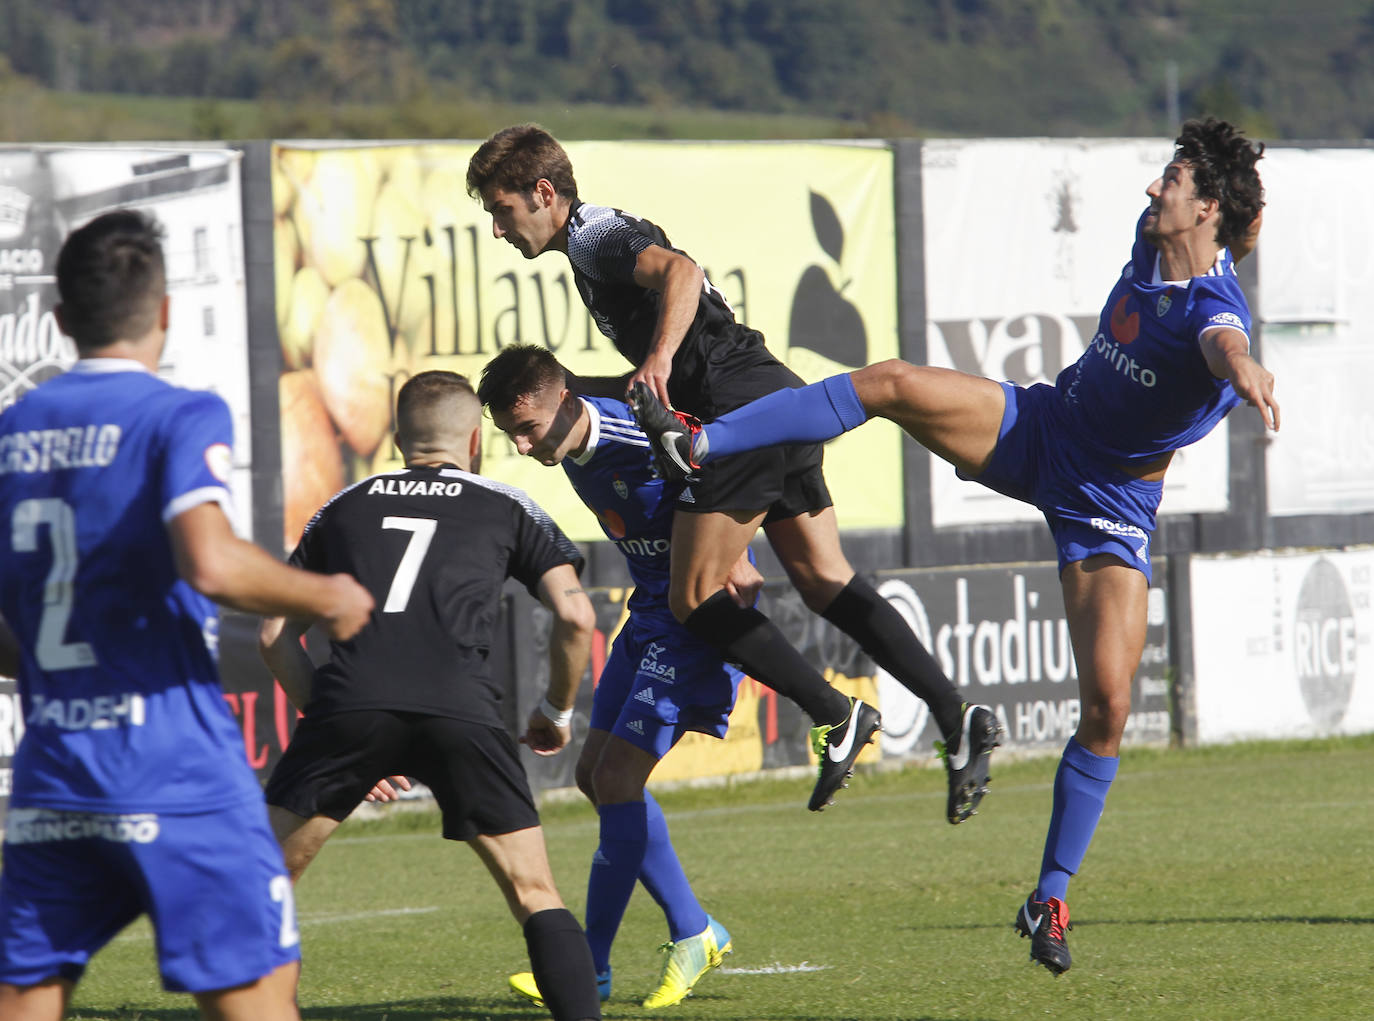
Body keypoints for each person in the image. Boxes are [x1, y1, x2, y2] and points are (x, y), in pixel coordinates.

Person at [630, 118, 1278, 976]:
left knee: (1111, 709)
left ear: (1208, 208)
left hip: (1112, 504)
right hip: (1041, 428)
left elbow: (1222, 341)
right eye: (1161, 176)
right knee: (891, 381)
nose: (1153, 190)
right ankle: (702, 441)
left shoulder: (1215, 310)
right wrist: (1241, 202)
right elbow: (1243, 222)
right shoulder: (1155, 241)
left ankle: (1049, 895)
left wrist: (1246, 371)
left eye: (1172, 180)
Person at [466, 126, 1000, 823]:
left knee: (694, 595)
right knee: (824, 578)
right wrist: (597, 379)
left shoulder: (594, 236)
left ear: (544, 192)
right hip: (771, 392)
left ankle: (836, 714)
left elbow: (682, 273)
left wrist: (656, 365)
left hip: (735, 410)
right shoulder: (591, 246)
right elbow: (662, 354)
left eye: (503, 210)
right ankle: (958, 718)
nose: (501, 230)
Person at [0, 208, 375, 1021]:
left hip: (56, 773)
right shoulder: (178, 414)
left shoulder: (13, 430)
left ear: (61, 320)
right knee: (258, 1000)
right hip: (175, 772)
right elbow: (209, 559)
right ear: (165, 313)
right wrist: (329, 594)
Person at [258, 370, 603, 1021]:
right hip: (462, 708)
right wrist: (555, 709)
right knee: (535, 891)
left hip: (351, 701)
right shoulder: (507, 504)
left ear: (396, 438)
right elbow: (577, 616)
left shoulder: (342, 504)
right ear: (475, 439)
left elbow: (276, 635)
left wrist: (335, 721)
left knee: (260, 885)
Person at [479, 344, 756, 1010]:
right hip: (648, 617)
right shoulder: (572, 449)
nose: (520, 446)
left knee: (616, 780)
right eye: (508, 434)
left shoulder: (640, 434)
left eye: (527, 428)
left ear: (565, 397)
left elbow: (736, 475)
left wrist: (737, 563)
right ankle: (695, 929)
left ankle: (590, 969)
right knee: (591, 777)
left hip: (691, 621)